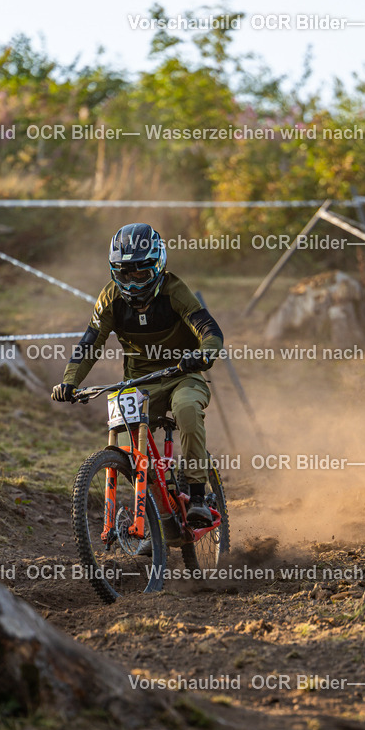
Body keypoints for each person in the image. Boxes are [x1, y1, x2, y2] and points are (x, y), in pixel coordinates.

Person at [51, 222, 224, 525]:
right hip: (140, 383)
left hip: (182, 376)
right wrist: (69, 382)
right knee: (130, 451)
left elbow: (210, 331)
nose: (131, 284)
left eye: (140, 274)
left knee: (185, 409)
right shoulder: (109, 299)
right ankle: (155, 524)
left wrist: (202, 354)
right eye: (123, 275)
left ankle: (196, 495)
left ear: (157, 267)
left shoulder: (175, 291)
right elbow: (90, 343)